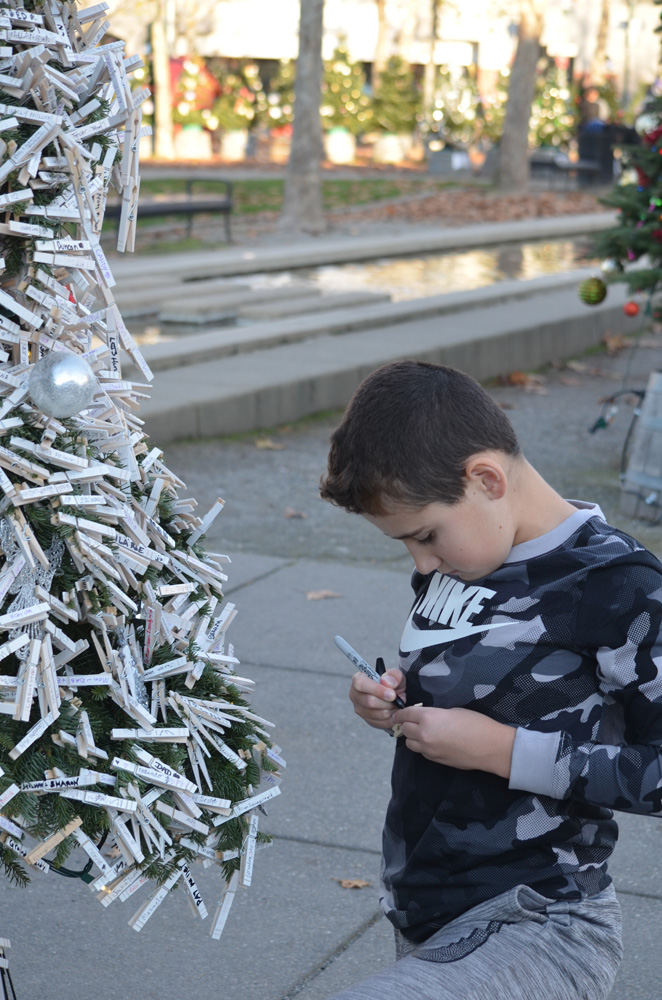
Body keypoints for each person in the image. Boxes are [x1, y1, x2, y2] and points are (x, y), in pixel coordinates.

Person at [318, 359, 662, 1000]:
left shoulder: (618, 586)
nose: (422, 564)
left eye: (426, 536)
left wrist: (501, 751)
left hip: (543, 920)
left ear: (486, 479)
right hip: (430, 913)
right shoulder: (467, 559)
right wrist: (389, 699)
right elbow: (471, 690)